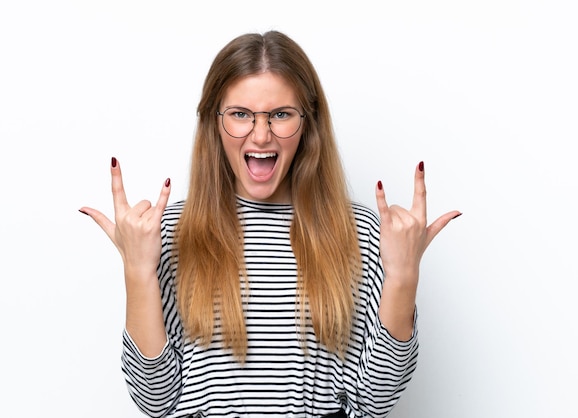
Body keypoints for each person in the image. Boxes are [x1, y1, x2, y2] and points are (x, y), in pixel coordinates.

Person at [79, 30, 461, 418]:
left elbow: (374, 401)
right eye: (240, 114)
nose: (260, 135)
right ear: (214, 122)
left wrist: (403, 277)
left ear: (308, 124)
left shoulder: (363, 234)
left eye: (280, 115)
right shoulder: (166, 232)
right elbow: (155, 401)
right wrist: (137, 272)